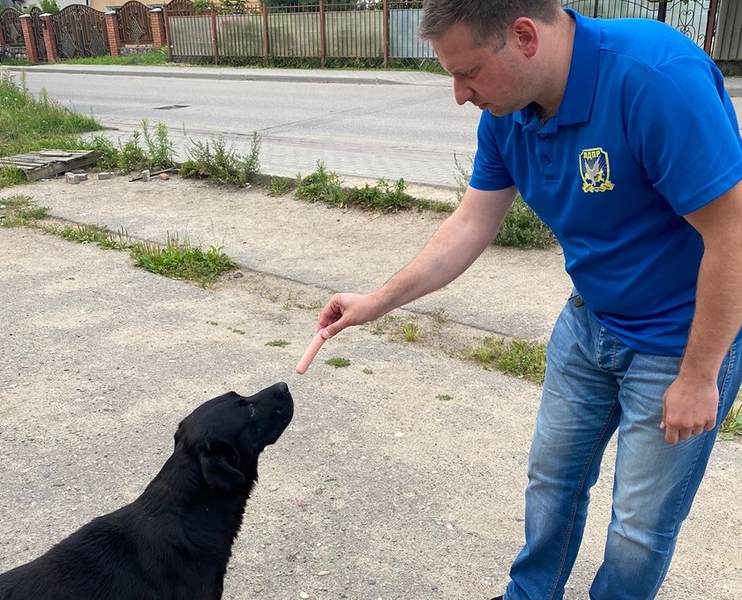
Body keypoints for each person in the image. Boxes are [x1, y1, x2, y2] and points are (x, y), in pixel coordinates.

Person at [314, 1, 742, 599]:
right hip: (590, 321)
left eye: (468, 73)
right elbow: (469, 226)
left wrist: (699, 376)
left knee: (638, 532)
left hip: (682, 340)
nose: (459, 95)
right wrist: (376, 301)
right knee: (551, 483)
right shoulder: (508, 112)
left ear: (523, 37)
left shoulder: (655, 80)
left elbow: (733, 235)